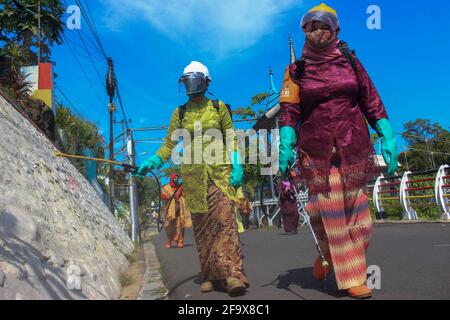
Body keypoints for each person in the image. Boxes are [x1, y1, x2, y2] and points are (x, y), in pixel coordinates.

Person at [278, 3, 398, 299]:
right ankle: (352, 277)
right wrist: (286, 140)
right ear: (304, 30)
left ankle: (329, 255)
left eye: (324, 26)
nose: (318, 31)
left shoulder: (350, 61)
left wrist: (386, 132)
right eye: (312, 26)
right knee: (332, 214)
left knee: (362, 222)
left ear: (336, 30)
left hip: (353, 147)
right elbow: (289, 109)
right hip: (317, 153)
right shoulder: (296, 70)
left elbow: (370, 98)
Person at [137, 61, 249, 296]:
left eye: (195, 80)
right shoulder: (179, 113)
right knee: (203, 229)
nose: (191, 85)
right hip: (194, 179)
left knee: (225, 223)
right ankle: (210, 275)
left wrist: (237, 165)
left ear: (206, 82)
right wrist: (153, 162)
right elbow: (168, 146)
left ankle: (233, 276)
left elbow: (231, 139)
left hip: (220, 175)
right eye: (186, 81)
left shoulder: (219, 108)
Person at [161, 172, 191, 249]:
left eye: (177, 178)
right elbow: (162, 196)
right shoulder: (166, 187)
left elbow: (185, 195)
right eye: (175, 178)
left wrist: (180, 196)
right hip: (170, 210)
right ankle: (169, 241)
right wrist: (167, 197)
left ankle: (180, 241)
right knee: (169, 226)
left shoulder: (180, 187)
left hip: (179, 209)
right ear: (171, 179)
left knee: (180, 225)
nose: (176, 180)